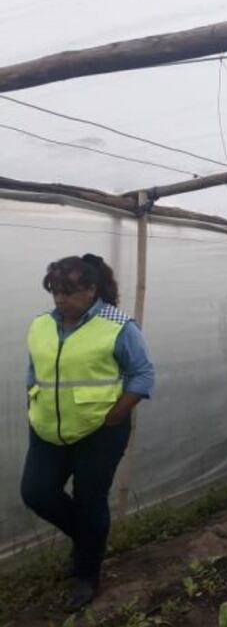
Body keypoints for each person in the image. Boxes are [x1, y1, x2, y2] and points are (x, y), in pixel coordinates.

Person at [20, 254, 155, 611]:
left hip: (99, 431)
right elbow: (34, 370)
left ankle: (86, 574)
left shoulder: (118, 325)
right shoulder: (41, 325)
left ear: (92, 289)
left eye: (69, 292)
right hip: (47, 428)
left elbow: (142, 374)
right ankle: (88, 540)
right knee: (36, 492)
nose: (60, 299)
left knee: (89, 499)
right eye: (55, 291)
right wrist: (32, 402)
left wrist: (116, 415)